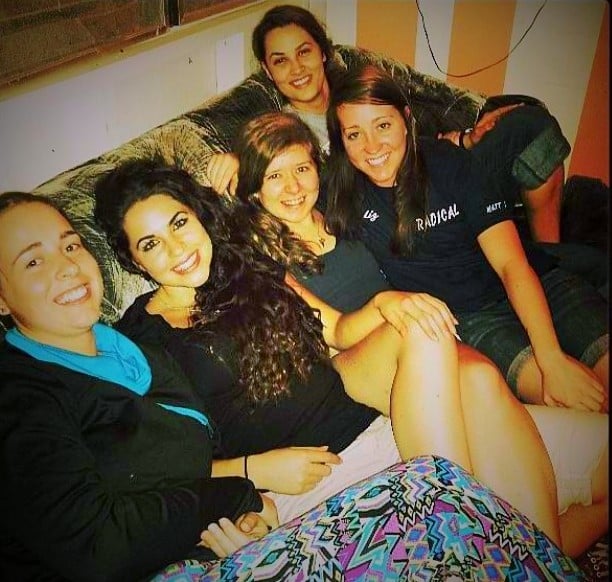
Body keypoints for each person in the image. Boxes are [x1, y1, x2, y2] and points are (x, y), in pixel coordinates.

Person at [3, 191, 582, 581]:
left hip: (359, 408)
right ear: (133, 262)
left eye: (179, 223)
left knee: (471, 372)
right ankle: (479, 538)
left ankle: (493, 535)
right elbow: (155, 471)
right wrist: (250, 476)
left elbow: (337, 330)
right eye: (150, 243)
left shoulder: (232, 275)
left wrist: (387, 301)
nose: (176, 248)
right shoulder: (137, 341)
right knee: (482, 390)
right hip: (305, 471)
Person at [230, 108, 609, 559]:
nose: (292, 187)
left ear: (318, 168)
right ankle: (491, 543)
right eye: (273, 177)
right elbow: (337, 330)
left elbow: (389, 159)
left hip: (428, 352)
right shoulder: (260, 256)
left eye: (301, 169)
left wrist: (462, 139)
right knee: (472, 372)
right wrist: (228, 171)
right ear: (254, 189)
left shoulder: (341, 208)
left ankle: (537, 557)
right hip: (356, 367)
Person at [205, 4, 570, 250]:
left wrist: (464, 138)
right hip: (384, 214)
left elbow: (408, 136)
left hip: (430, 176)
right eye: (280, 61)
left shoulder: (358, 87)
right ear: (268, 72)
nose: (296, 69)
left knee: (528, 125)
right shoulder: (285, 129)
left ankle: (550, 253)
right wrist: (239, 161)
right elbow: (270, 168)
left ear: (323, 51)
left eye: (304, 52)